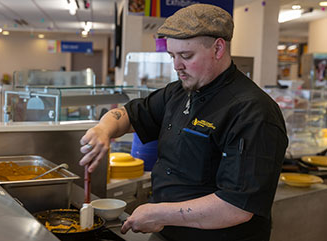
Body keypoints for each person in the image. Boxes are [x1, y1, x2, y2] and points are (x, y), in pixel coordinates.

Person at [79, 4, 288, 241]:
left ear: (218, 48)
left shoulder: (253, 112)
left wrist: (159, 213)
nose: (177, 65)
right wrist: (103, 130)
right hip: (168, 233)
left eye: (186, 56)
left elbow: (237, 206)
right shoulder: (178, 92)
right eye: (172, 56)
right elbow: (130, 114)